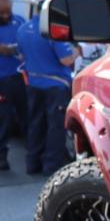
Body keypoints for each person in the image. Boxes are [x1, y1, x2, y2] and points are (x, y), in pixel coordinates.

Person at [15, 15, 78, 175]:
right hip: (55, 86)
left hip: (33, 83)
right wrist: (78, 50)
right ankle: (51, 167)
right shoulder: (54, 31)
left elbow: (21, 55)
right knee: (55, 126)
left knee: (35, 124)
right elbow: (66, 60)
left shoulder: (22, 28)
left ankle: (32, 164)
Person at [0, 0, 25, 172]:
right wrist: (14, 48)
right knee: (4, 119)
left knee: (28, 115)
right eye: (1, 13)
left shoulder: (20, 21)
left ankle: (35, 153)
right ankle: (2, 156)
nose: (5, 16)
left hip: (20, 77)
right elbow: (5, 50)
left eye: (8, 12)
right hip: (2, 80)